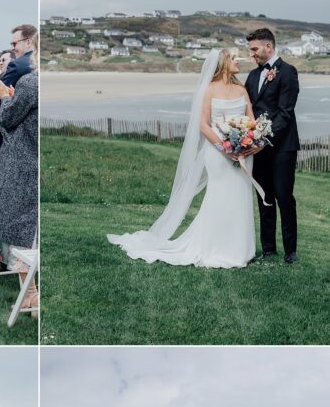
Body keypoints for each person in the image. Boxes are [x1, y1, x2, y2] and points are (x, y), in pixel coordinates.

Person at [108, 48, 259, 269]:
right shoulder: (208, 90)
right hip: (218, 153)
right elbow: (203, 125)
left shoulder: (241, 89)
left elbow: (251, 120)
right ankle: (216, 247)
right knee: (220, 196)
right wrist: (225, 147)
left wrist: (249, 143)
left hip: (243, 153)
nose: (238, 61)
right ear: (222, 63)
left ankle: (239, 249)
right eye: (233, 58)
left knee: (240, 196)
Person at [0, 33, 39, 313]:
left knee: (23, 229)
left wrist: (5, 96)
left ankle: (30, 293)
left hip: (23, 162)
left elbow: (8, 117)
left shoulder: (30, 82)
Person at [245, 28, 300, 263]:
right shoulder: (251, 76)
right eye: (250, 50)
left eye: (255, 49)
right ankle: (268, 249)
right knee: (264, 196)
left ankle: (290, 251)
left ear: (269, 47)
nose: (252, 55)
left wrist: (264, 140)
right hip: (258, 148)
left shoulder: (288, 72)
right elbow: (248, 111)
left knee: (283, 196)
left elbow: (285, 113)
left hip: (282, 147)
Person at [0, 25, 37, 157]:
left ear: (28, 41)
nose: (12, 47)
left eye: (14, 43)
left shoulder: (18, 64)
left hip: (9, 126)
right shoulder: (33, 64)